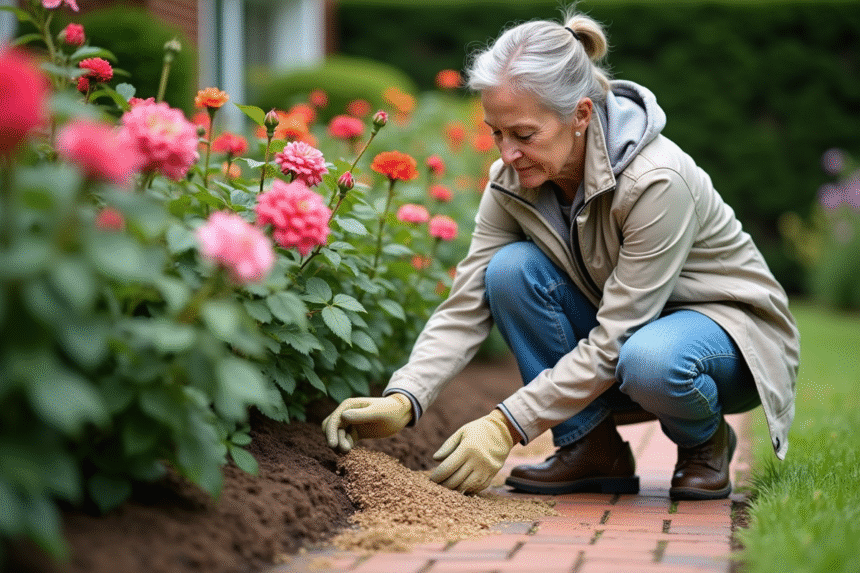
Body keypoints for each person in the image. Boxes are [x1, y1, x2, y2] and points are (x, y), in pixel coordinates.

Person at [322, 8, 799, 500]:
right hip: (634, 334)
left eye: (524, 135)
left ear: (581, 116)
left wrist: (505, 426)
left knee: (650, 358)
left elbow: (620, 336)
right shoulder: (511, 181)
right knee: (508, 272)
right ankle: (590, 448)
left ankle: (705, 443)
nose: (507, 153)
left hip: (726, 337)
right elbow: (467, 301)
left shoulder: (655, 180)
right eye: (497, 133)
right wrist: (405, 396)